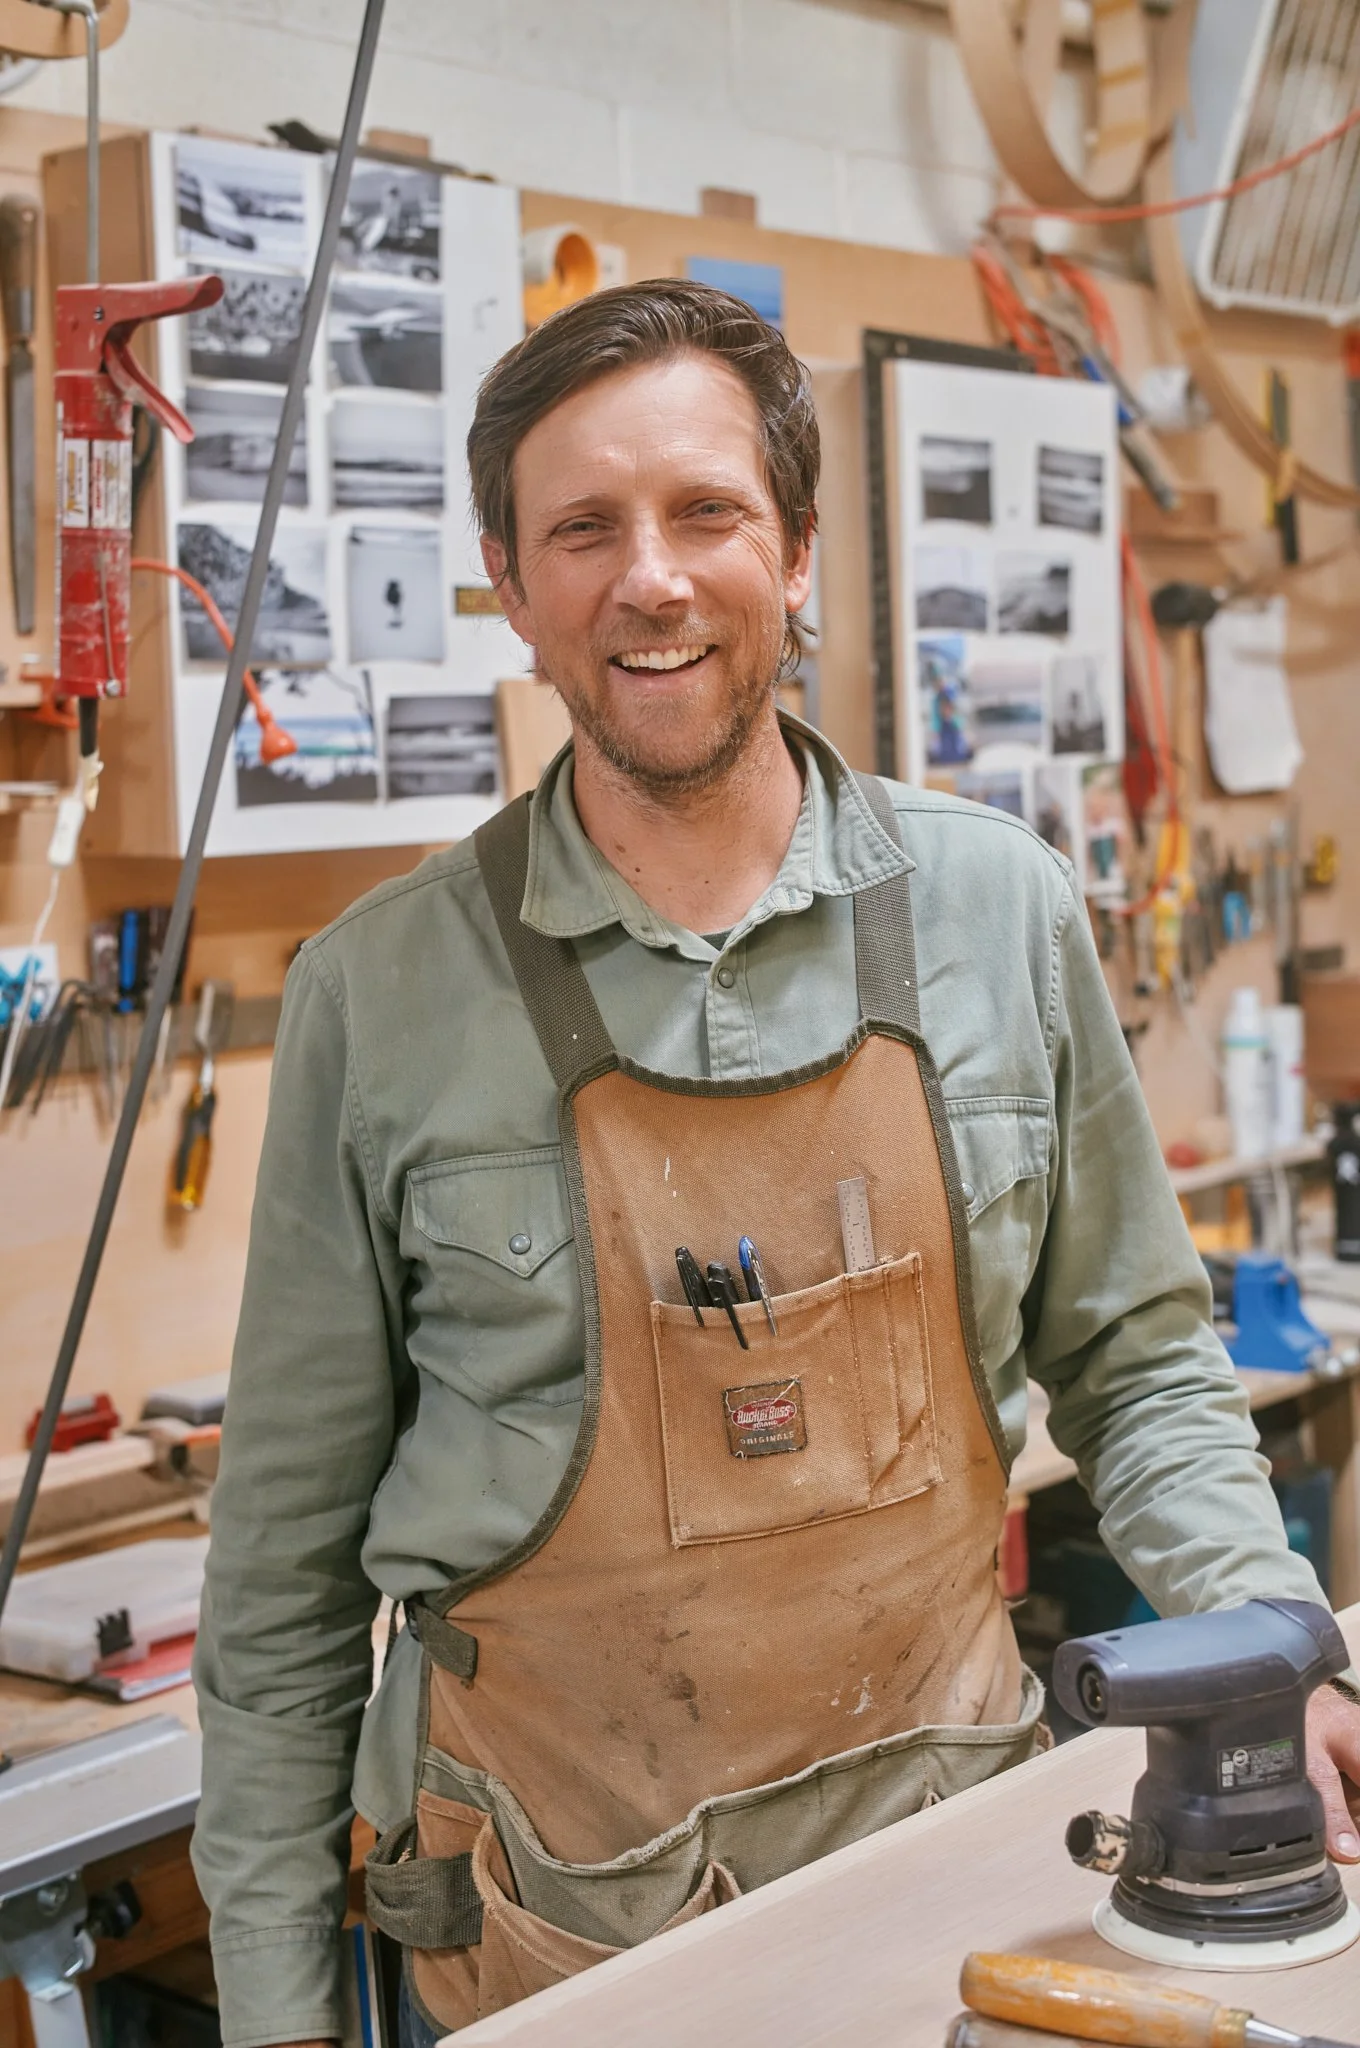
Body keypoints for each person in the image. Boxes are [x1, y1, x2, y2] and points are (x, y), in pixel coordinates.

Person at [193, 281, 1360, 2048]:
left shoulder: (998, 909)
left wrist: (1279, 1644)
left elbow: (1136, 1363)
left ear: (797, 550)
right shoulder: (379, 995)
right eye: (582, 529)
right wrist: (279, 2016)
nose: (649, 579)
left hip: (954, 1885)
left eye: (705, 513)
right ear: (515, 591)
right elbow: (281, 1587)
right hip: (556, 1941)